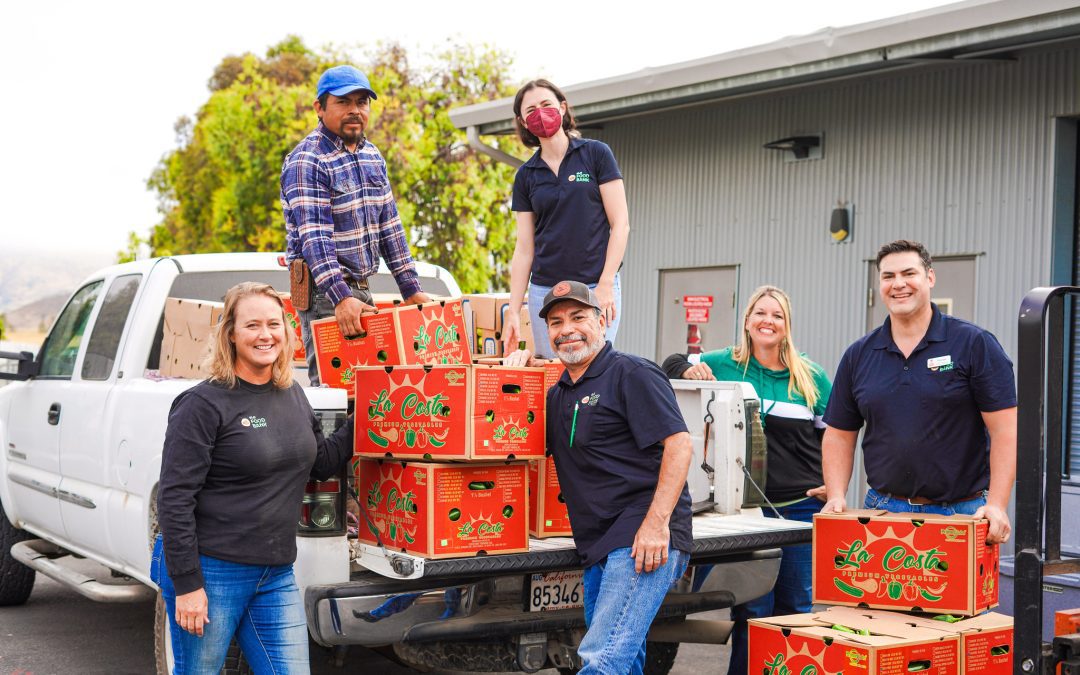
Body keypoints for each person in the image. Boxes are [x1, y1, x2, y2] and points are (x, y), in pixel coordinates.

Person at [151, 282, 355, 673]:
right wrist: (188, 584)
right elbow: (175, 499)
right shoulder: (202, 404)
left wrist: (372, 406)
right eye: (253, 325)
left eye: (274, 324)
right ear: (230, 333)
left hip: (275, 572)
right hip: (212, 571)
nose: (266, 335)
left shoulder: (291, 393)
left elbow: (320, 464)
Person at [505, 280, 692, 675]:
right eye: (555, 322)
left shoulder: (632, 374)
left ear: (603, 320)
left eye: (578, 317)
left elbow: (680, 444)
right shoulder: (558, 395)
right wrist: (517, 377)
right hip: (597, 546)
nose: (566, 329)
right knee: (625, 660)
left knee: (601, 661)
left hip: (641, 538)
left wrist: (656, 526)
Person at [662, 285, 831, 675]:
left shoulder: (811, 377)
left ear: (787, 326)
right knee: (753, 609)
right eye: (760, 313)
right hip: (745, 512)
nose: (767, 321)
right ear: (747, 321)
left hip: (801, 509)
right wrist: (688, 369)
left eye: (777, 316)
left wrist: (832, 485)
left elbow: (836, 435)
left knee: (795, 608)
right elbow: (668, 365)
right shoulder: (724, 363)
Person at [821, 239, 1016, 546]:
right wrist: (835, 495)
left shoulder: (974, 344)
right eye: (888, 277)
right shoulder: (859, 355)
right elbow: (839, 434)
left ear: (930, 277)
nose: (898, 284)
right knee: (878, 595)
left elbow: (1006, 430)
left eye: (908, 273)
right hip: (883, 512)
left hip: (962, 514)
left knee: (953, 596)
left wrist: (997, 504)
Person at [281, 64, 429, 385]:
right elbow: (315, 240)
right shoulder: (308, 160)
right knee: (335, 395)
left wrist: (411, 289)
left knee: (370, 395)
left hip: (360, 292)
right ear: (319, 108)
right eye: (343, 102)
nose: (354, 110)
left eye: (362, 102)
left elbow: (390, 225)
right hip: (326, 296)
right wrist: (340, 297)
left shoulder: (372, 155)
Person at [502, 80, 630, 358]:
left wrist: (606, 283)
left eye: (546, 105)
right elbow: (524, 248)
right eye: (531, 110)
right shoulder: (526, 175)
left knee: (596, 366)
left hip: (595, 285)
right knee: (553, 373)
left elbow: (620, 224)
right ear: (523, 122)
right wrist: (513, 310)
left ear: (562, 107)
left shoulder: (596, 154)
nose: (540, 112)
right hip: (545, 290)